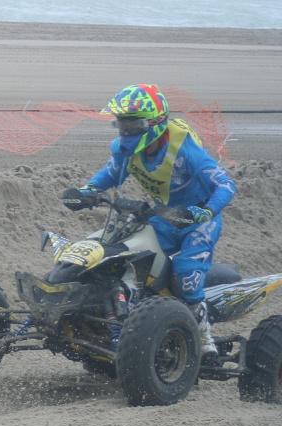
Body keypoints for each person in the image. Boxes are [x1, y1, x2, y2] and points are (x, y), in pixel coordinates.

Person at [64, 83, 236, 356]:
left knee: (186, 274)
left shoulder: (185, 150)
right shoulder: (125, 150)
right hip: (163, 217)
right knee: (131, 258)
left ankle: (205, 341)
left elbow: (226, 185)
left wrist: (206, 211)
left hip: (199, 220)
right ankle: (135, 320)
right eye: (122, 125)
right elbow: (112, 174)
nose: (127, 131)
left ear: (155, 122)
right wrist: (87, 191)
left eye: (133, 124)